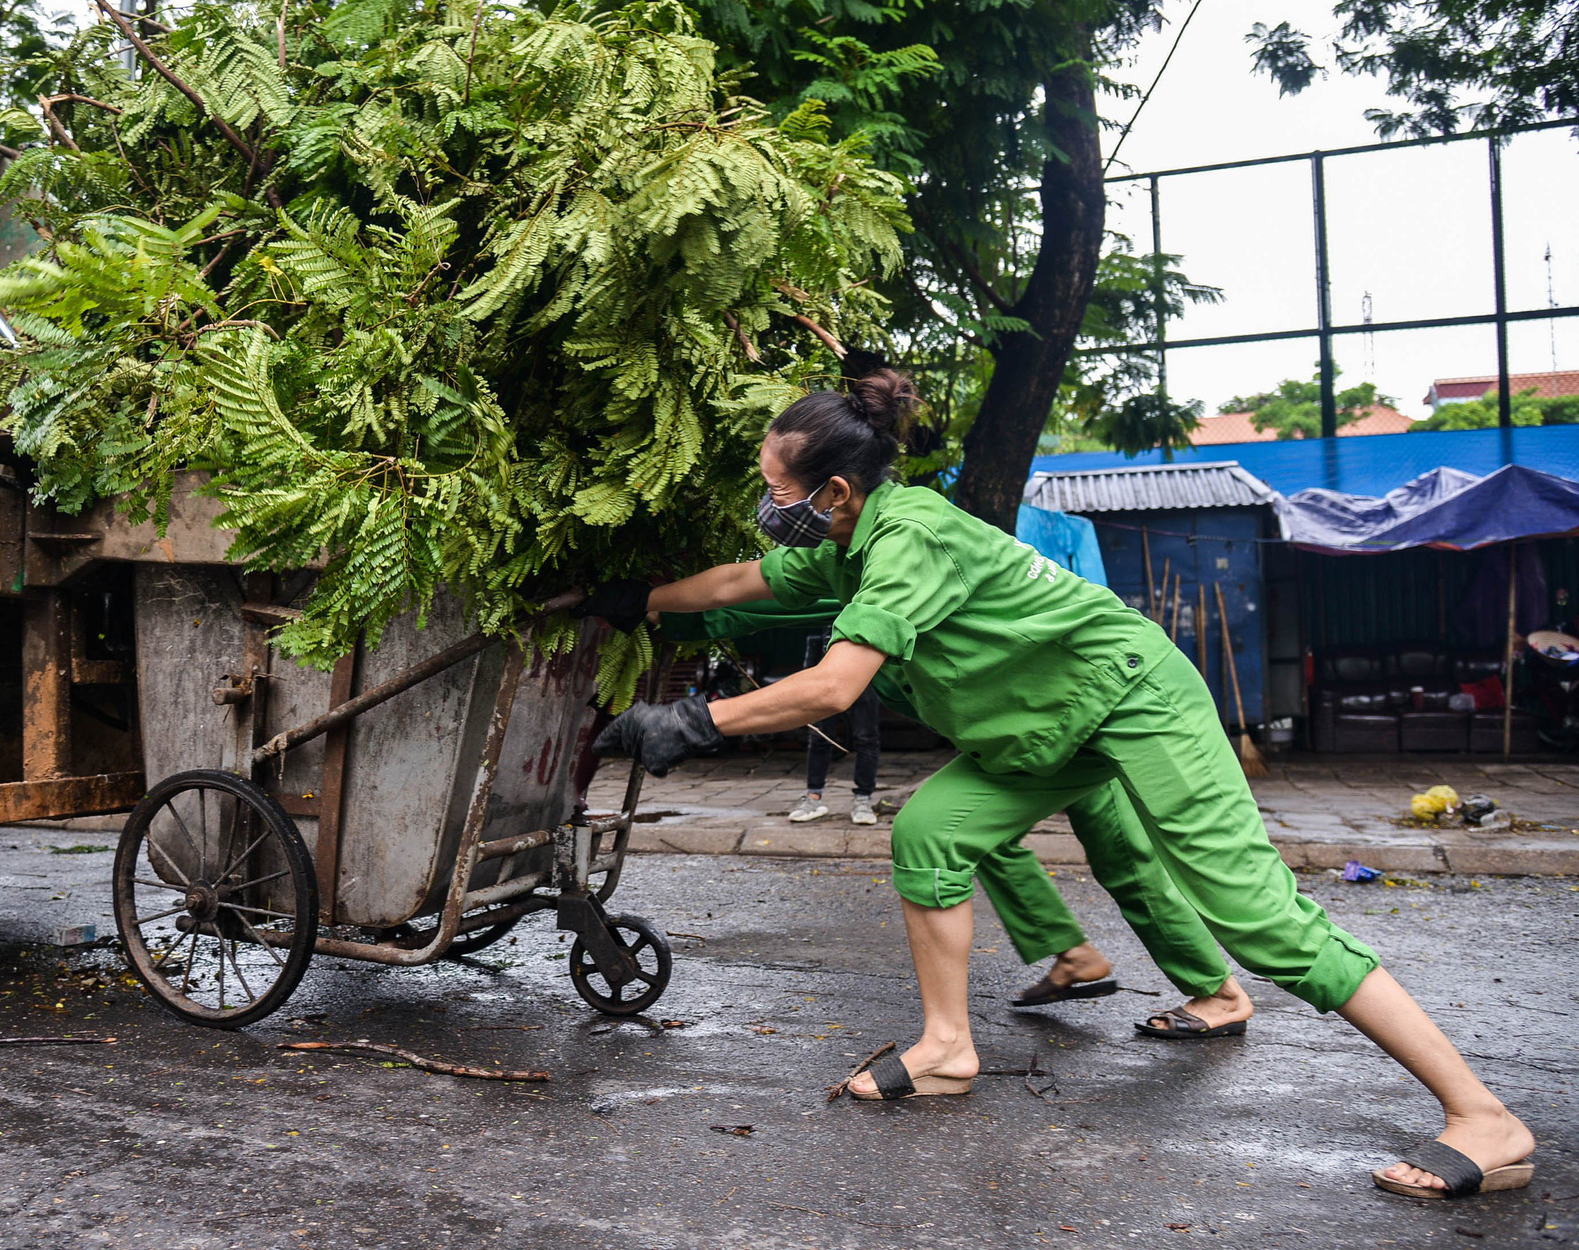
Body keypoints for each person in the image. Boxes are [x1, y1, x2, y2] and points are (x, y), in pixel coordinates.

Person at [582, 368, 1535, 1199]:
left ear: (831, 490)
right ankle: (949, 1049)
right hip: (1044, 726)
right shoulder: (849, 540)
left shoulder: (909, 537)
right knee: (931, 835)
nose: (767, 504)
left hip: (1129, 697)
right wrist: (633, 601)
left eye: (773, 489)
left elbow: (834, 685)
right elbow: (744, 581)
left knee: (1258, 917)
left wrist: (696, 720)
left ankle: (1484, 1118)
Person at [657, 601, 1254, 1034]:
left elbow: (775, 615)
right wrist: (663, 611)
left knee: (1125, 862)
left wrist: (674, 637)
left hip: (1069, 718)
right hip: (1023, 734)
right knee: (971, 833)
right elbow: (767, 604)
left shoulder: (893, 577)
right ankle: (1072, 954)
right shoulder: (856, 584)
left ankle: (1219, 994)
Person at [793, 627, 881, 825]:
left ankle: (863, 799)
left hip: (862, 649)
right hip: (823, 646)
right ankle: (813, 798)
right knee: (820, 734)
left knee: (866, 736)